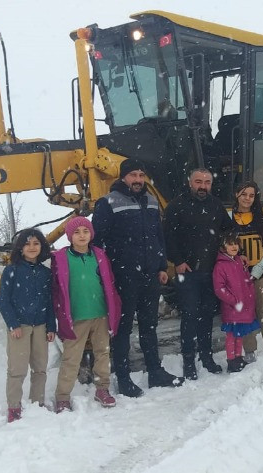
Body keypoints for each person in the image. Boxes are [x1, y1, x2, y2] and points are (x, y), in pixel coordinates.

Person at [92, 159, 183, 396]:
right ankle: (123, 379)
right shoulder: (107, 203)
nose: (138, 180)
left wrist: (162, 266)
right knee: (122, 330)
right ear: (123, 177)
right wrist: (105, 274)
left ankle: (155, 372)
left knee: (149, 326)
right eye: (133, 175)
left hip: (150, 275)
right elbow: (97, 243)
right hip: (123, 277)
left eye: (141, 175)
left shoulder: (151, 202)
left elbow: (157, 237)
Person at [163, 168, 233, 380]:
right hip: (188, 272)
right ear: (190, 182)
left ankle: (206, 356)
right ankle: (188, 360)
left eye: (207, 182)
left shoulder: (215, 205)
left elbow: (228, 230)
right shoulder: (176, 206)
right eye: (198, 181)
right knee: (190, 316)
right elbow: (167, 236)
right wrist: (179, 261)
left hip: (211, 271)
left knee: (206, 316)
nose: (203, 186)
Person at [52, 216, 122, 412]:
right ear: (69, 236)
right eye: (76, 232)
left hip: (100, 313)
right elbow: (56, 290)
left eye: (85, 231)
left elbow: (109, 283)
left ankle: (102, 389)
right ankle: (63, 397)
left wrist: (114, 307)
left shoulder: (99, 255)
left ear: (91, 234)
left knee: (103, 353)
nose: (82, 235)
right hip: (77, 316)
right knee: (71, 358)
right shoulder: (60, 258)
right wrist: (61, 315)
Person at [0, 228, 56, 423]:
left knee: (40, 367)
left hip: (40, 326)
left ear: (42, 247)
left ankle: (37, 402)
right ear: (20, 248)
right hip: (19, 328)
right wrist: (13, 324)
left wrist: (51, 327)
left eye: (36, 243)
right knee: (17, 369)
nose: (32, 247)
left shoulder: (45, 273)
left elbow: (49, 302)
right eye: (27, 244)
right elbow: (3, 301)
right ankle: (14, 407)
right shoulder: (11, 270)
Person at [230, 181, 263, 363]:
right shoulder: (229, 216)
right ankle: (249, 349)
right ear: (236, 195)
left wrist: (261, 267)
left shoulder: (262, 215)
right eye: (244, 194)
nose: (247, 198)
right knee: (245, 311)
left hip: (261, 270)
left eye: (251, 195)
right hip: (239, 273)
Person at [212, 231, 260, 373]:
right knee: (231, 336)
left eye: (235, 244)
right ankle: (231, 359)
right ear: (223, 247)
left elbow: (245, 280)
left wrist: (249, 293)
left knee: (240, 335)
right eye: (230, 244)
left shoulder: (239, 261)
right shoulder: (220, 266)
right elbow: (219, 288)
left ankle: (238, 357)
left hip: (242, 306)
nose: (234, 247)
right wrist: (233, 300)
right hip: (232, 308)